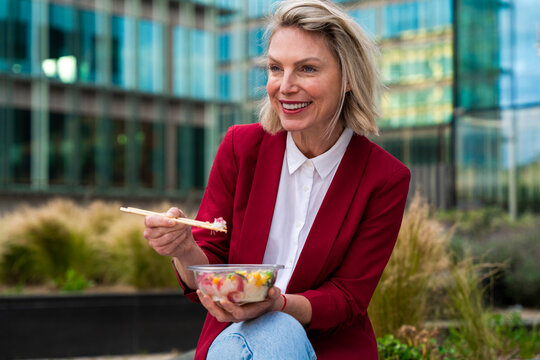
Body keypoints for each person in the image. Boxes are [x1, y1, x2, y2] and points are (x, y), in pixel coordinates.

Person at [143, 0, 410, 359]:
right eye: (274, 68)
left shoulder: (384, 179)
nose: (285, 86)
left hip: (326, 348)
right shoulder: (240, 147)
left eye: (307, 69)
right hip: (233, 342)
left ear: (348, 79)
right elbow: (207, 273)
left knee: (278, 329)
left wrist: (278, 305)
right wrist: (183, 249)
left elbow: (348, 298)